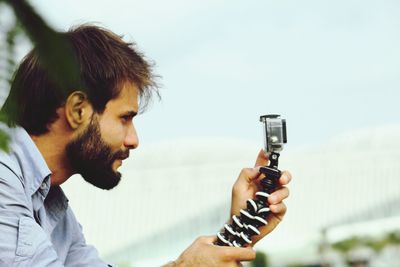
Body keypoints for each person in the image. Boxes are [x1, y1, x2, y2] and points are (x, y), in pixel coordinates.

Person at [0, 24, 291, 266]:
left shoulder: (50, 203)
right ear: (78, 110)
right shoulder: (4, 178)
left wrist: (237, 233)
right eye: (125, 118)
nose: (133, 140)